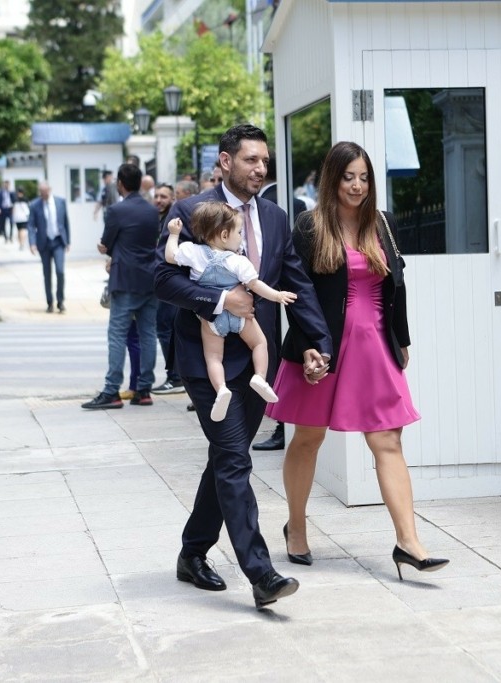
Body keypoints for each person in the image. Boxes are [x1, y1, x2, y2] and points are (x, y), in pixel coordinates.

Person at [155, 124, 332, 608]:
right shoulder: (191, 211)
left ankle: (192, 553)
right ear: (225, 161)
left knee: (225, 458)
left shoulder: (276, 216)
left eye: (264, 161)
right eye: (251, 159)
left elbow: (296, 283)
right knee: (235, 458)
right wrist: (219, 300)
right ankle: (261, 573)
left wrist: (318, 342)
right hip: (206, 358)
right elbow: (161, 279)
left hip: (257, 361)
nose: (260, 168)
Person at [268, 141, 448, 580]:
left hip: (374, 346)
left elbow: (396, 283)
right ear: (333, 179)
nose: (357, 186)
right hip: (323, 345)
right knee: (308, 437)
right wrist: (309, 345)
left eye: (364, 177)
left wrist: (401, 339)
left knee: (388, 440)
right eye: (349, 177)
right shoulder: (310, 226)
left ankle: (409, 542)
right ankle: (296, 526)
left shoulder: (381, 223)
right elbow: (298, 292)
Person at [164, 203, 293, 421]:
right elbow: (255, 285)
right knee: (259, 343)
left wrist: (174, 234)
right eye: (239, 233)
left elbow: (170, 256)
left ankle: (221, 389)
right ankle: (260, 377)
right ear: (225, 235)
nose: (241, 237)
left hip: (212, 319)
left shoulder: (192, 252)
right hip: (241, 316)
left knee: (214, 357)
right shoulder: (238, 261)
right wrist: (277, 296)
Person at [82, 164, 160, 410]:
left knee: (117, 335)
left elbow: (107, 242)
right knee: (148, 335)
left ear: (120, 184)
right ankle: (144, 389)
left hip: (125, 278)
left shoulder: (116, 210)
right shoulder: (152, 210)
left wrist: (106, 248)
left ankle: (111, 390)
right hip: (149, 279)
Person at [253, 153, 310, 451]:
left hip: (269, 294)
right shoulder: (296, 201)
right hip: (287, 293)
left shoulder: (267, 204)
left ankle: (281, 425)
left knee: (272, 353)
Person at [152, 183, 184, 396]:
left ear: (172, 198)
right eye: (156, 196)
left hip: (171, 280)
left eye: (163, 196)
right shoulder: (157, 219)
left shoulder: (174, 221)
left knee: (166, 328)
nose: (159, 200)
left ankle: (175, 376)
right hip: (162, 280)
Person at [26, 181, 70, 313]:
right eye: (41, 192)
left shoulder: (60, 202)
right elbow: (31, 225)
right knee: (47, 273)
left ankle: (60, 301)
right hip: (44, 243)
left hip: (58, 241)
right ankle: (50, 302)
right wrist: (32, 243)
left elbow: (66, 222)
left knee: (60, 271)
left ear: (49, 190)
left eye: (44, 192)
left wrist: (68, 241)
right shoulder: (35, 205)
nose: (43, 195)